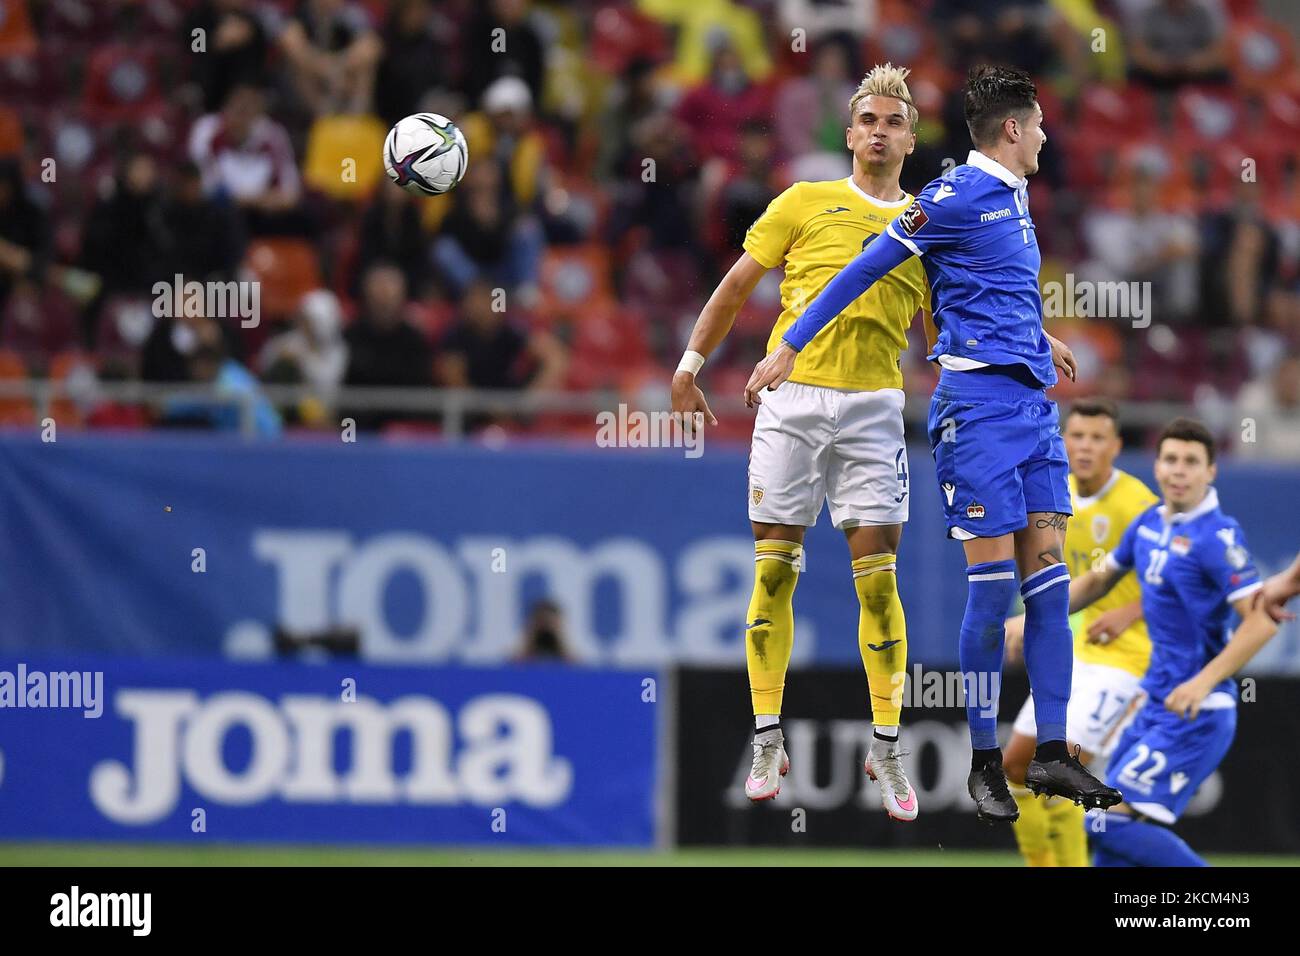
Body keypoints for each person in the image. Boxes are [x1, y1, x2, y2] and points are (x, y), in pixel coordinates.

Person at [744, 64, 1120, 822]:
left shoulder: (1015, 197)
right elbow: (865, 269)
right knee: (991, 593)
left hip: (1034, 411)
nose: (1046, 135)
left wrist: (1039, 337)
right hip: (977, 415)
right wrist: (789, 343)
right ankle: (984, 760)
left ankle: (1051, 754)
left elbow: (982, 286)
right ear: (1013, 130)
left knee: (1048, 592)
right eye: (1039, 124)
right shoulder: (947, 198)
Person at [673, 65, 931, 821]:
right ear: (849, 134)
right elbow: (735, 286)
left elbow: (949, 329)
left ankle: (886, 744)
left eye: (893, 122)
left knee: (877, 583)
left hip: (877, 408)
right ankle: (767, 735)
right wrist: (690, 366)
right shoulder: (803, 202)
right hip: (790, 403)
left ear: (911, 139)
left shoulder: (929, 223)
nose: (879, 131)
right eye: (868, 120)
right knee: (774, 575)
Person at [1065, 419, 1276, 865]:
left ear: (1211, 472)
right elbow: (1100, 581)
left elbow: (1260, 624)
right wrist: (1036, 617)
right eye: (1171, 459)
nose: (1179, 470)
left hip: (1197, 712)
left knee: (1100, 821)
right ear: (1157, 467)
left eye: (1191, 462)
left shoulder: (1217, 538)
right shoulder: (1147, 523)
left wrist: (1202, 682)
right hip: (1154, 702)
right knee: (1110, 838)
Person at [1002, 399, 1158, 865]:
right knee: (1014, 766)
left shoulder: (1139, 505)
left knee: (1061, 770)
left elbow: (1179, 582)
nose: (1086, 447)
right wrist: (1026, 618)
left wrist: (1132, 610)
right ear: (1063, 442)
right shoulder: (1053, 496)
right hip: (1078, 654)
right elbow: (1062, 582)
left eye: (1097, 438)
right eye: (1078, 436)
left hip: (1128, 659)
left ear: (1116, 446)